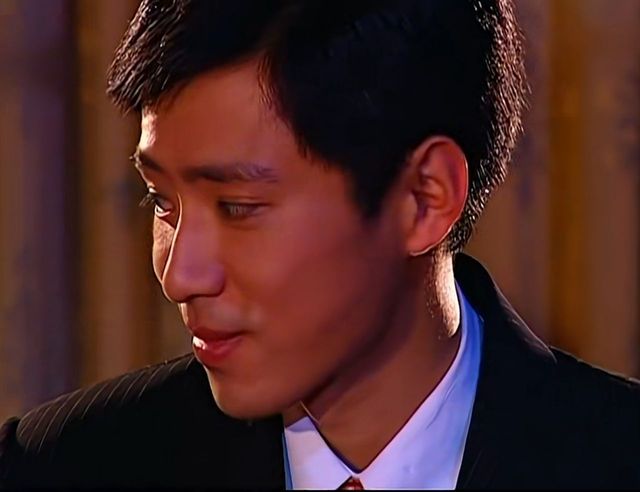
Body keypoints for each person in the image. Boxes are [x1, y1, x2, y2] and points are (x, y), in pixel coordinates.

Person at [1, 0, 639, 488]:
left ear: (424, 197)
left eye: (238, 208)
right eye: (160, 201)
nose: (179, 274)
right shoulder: (57, 469)